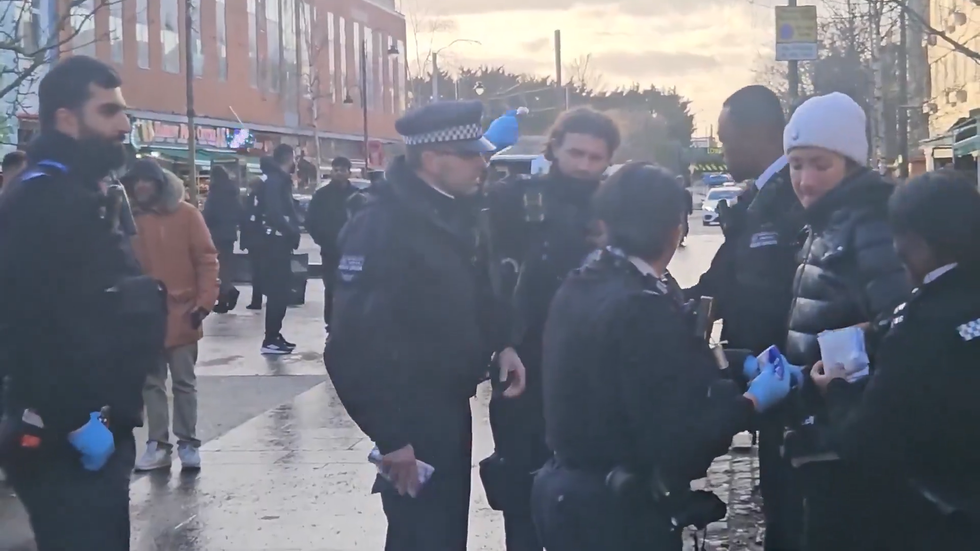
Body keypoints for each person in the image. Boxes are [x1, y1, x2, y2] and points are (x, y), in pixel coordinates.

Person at [531, 162, 796, 551]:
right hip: (617, 513)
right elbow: (679, 437)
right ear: (676, 228)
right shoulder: (640, 306)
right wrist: (750, 402)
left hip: (568, 495)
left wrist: (736, 363)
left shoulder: (585, 283)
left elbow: (652, 370)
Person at [324, 100, 527, 551]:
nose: (483, 163)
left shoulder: (452, 211)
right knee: (422, 537)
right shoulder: (382, 225)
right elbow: (349, 347)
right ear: (434, 160)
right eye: (472, 154)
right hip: (410, 415)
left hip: (448, 404)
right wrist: (392, 437)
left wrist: (502, 343)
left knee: (445, 534)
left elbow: (475, 289)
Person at [0, 55, 166, 551]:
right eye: (108, 111)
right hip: (63, 437)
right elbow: (28, 322)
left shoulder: (78, 190)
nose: (124, 124)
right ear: (66, 118)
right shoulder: (42, 199)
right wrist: (73, 420)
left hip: (90, 428)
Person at [802, 170, 980, 549]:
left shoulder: (918, 327)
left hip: (946, 518)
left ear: (912, 243)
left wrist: (836, 389)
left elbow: (869, 440)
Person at [778, 92, 910, 551]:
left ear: (851, 163)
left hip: (853, 435)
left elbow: (903, 322)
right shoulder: (823, 221)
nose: (805, 180)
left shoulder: (873, 224)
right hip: (822, 427)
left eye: (819, 164)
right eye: (795, 164)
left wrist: (845, 367)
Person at [483, 107, 619, 551]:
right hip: (525, 360)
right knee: (521, 487)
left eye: (595, 157)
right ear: (554, 148)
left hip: (590, 371)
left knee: (587, 495)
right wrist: (500, 341)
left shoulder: (616, 207)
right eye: (575, 152)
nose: (583, 165)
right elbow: (488, 276)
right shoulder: (515, 200)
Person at [686, 85, 806, 551]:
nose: (723, 149)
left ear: (761, 135)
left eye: (727, 137)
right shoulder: (760, 199)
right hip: (766, 371)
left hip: (787, 371)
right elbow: (723, 278)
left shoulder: (789, 197)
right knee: (778, 492)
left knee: (790, 503)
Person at [121, 159, 219, 472]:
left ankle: (188, 442)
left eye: (146, 181)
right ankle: (158, 443)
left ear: (159, 183)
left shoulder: (187, 215)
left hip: (183, 310)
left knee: (183, 381)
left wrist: (203, 304)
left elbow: (206, 259)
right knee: (151, 382)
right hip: (144, 312)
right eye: (135, 182)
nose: (140, 187)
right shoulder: (130, 219)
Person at [256, 145, 302, 354]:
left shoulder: (273, 180)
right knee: (278, 291)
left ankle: (275, 334)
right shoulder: (277, 181)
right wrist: (290, 230)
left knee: (280, 291)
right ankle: (271, 338)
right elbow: (276, 212)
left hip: (275, 243)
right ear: (289, 158)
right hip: (276, 244)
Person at [306, 156, 357, 332]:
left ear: (349, 172)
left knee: (354, 287)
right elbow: (311, 221)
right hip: (330, 249)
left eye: (342, 170)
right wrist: (322, 240)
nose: (339, 173)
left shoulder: (358, 195)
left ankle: (350, 320)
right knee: (331, 287)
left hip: (353, 250)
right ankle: (331, 323)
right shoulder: (322, 196)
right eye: (336, 169)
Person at [203, 165, 243, 313]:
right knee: (225, 266)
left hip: (216, 234)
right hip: (229, 234)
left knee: (217, 268)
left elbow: (209, 213)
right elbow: (240, 212)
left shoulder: (215, 193)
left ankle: (229, 292)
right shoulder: (232, 192)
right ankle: (224, 298)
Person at [241, 175, 265, 310]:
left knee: (257, 272)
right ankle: (257, 299)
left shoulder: (255, 199)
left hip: (256, 241)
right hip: (257, 241)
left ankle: (257, 300)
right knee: (258, 272)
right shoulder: (253, 199)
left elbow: (246, 221)